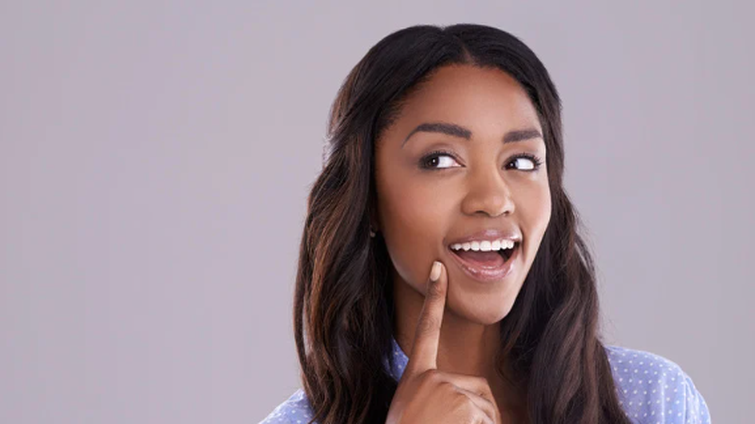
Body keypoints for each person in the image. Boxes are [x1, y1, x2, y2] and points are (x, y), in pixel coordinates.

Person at [259, 23, 711, 424]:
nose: (494, 199)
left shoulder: (653, 401)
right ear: (369, 198)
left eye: (521, 161)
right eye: (440, 160)